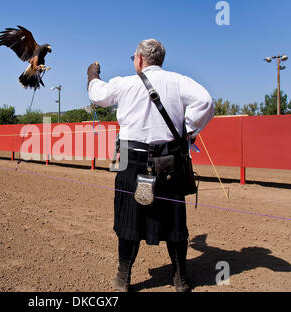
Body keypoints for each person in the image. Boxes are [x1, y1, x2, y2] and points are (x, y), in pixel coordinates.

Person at [87, 39, 214, 292]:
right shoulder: (178, 81)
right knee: (174, 221)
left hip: (130, 159)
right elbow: (206, 102)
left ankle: (123, 278)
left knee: (128, 219)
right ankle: (179, 279)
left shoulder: (124, 84)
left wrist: (92, 73)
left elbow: (97, 94)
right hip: (169, 161)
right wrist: (187, 132)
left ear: (140, 59)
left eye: (133, 57)